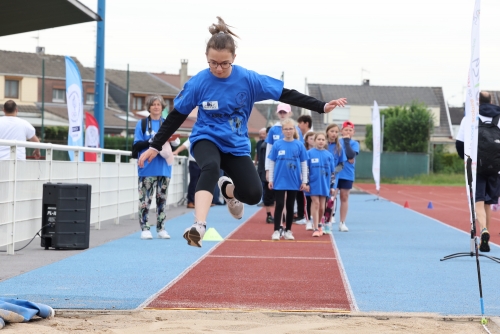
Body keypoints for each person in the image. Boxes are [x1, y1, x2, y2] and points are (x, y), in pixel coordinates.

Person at [138, 17, 347, 248]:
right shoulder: (199, 82)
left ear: (234, 59)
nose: (218, 68)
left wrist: (321, 106)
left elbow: (284, 94)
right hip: (206, 138)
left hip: (235, 145)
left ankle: (228, 190)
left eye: (224, 63)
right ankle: (199, 225)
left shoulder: (248, 80)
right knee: (209, 167)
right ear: (207, 59)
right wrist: (154, 145)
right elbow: (177, 114)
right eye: (212, 63)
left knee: (253, 194)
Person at [456, 91, 500, 252]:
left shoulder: (469, 118)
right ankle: (484, 240)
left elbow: (460, 144)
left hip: (477, 166)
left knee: (479, 202)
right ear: (491, 100)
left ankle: (483, 230)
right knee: (489, 202)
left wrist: (467, 160)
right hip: (496, 168)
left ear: (478, 101)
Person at [133, 95, 179, 240]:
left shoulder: (167, 124)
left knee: (162, 200)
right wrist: (153, 141)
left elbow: (171, 144)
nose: (156, 107)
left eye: (158, 104)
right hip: (147, 168)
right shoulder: (142, 124)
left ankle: (161, 228)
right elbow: (137, 145)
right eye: (153, 104)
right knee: (145, 200)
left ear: (162, 107)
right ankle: (145, 228)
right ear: (149, 107)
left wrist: (175, 142)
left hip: (164, 168)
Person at [268, 118, 308, 240]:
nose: (288, 131)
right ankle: (276, 230)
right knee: (279, 204)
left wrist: (304, 181)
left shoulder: (299, 145)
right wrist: (270, 178)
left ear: (294, 130)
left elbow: (303, 163)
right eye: (286, 129)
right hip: (279, 179)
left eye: (291, 128)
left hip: (294, 180)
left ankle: (288, 230)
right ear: (282, 130)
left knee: (290, 205)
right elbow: (272, 162)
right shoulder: (277, 144)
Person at [173, 138, 223, 207]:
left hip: (204, 163)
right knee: (194, 182)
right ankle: (190, 201)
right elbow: (185, 145)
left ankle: (205, 201)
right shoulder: (193, 136)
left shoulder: (207, 136)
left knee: (205, 183)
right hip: (194, 162)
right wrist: (176, 151)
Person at [305, 132, 335, 237]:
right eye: (319, 139)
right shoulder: (309, 153)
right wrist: (306, 183)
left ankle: (320, 224)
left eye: (323, 140)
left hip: (324, 184)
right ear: (314, 141)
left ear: (325, 141)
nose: (321, 141)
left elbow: (332, 172)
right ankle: (316, 227)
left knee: (322, 206)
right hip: (313, 183)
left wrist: (332, 186)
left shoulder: (329, 155)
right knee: (316, 203)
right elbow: (306, 170)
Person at [336, 121, 359, 232]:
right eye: (346, 130)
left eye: (350, 130)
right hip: (335, 173)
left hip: (347, 174)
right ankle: (328, 220)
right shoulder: (336, 142)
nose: (348, 132)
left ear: (353, 132)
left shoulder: (354, 144)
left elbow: (351, 155)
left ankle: (342, 222)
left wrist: (346, 142)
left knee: (344, 197)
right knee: (332, 196)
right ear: (341, 131)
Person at [325, 123, 347, 227]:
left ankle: (328, 222)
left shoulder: (339, 147)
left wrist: (332, 172)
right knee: (320, 200)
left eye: (336, 132)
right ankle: (319, 222)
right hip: (321, 176)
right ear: (327, 132)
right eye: (332, 131)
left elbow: (341, 164)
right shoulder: (322, 145)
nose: (334, 134)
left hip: (333, 178)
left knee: (330, 200)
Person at [294, 115, 313, 225]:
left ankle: (306, 216)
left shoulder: (311, 136)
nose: (298, 126)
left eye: (300, 123)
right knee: (300, 193)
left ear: (306, 123)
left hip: (310, 170)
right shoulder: (300, 136)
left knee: (308, 196)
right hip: (300, 170)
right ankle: (301, 214)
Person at [257, 126, 274, 224]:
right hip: (266, 174)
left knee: (277, 195)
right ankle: (269, 215)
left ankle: (279, 215)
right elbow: (262, 161)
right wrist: (264, 174)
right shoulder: (264, 145)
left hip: (275, 173)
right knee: (268, 195)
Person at [303, 131, 316, 230]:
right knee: (307, 201)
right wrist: (305, 181)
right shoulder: (305, 152)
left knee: (317, 201)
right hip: (307, 180)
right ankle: (308, 220)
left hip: (318, 180)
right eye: (310, 138)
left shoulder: (323, 152)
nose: (313, 140)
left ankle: (318, 221)